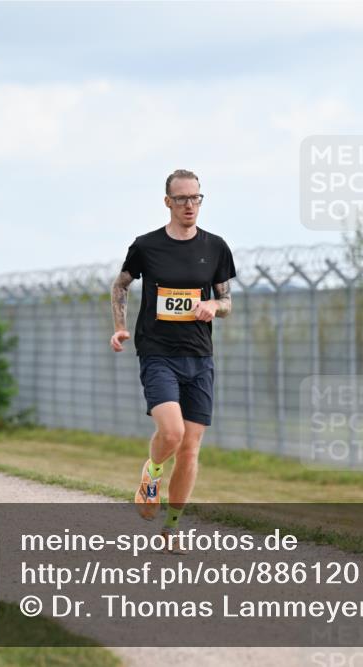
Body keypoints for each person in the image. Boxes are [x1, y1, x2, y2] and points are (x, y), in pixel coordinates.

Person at [109, 169, 235, 550]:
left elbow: (227, 301)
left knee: (191, 449)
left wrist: (214, 305)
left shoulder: (216, 247)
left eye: (195, 198)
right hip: (158, 353)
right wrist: (120, 327)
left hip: (199, 356)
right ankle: (152, 473)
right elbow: (120, 284)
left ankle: (172, 528)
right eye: (181, 199)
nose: (189, 205)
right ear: (168, 202)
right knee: (173, 434)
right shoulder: (147, 246)